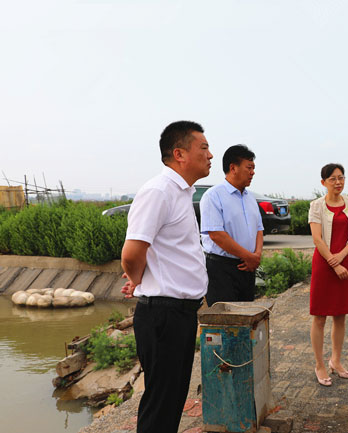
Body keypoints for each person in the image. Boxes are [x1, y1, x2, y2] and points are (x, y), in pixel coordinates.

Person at [121, 120, 212, 433]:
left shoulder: (181, 192)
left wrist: (141, 278)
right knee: (161, 404)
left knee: (171, 400)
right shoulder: (159, 191)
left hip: (178, 313)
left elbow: (164, 251)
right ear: (179, 154)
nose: (210, 155)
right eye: (203, 148)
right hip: (163, 315)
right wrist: (138, 280)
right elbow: (132, 253)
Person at [308, 163, 348, 386]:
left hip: (345, 261)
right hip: (324, 264)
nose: (338, 182)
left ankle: (336, 361)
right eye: (333, 179)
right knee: (320, 316)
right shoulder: (316, 206)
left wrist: (341, 257)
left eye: (341, 177)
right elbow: (317, 239)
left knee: (340, 315)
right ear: (323, 182)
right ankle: (319, 364)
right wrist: (333, 262)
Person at [200, 144, 264, 305]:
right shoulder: (213, 196)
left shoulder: (250, 198)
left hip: (247, 268)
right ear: (233, 168)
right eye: (249, 168)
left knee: (246, 314)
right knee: (225, 316)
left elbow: (259, 229)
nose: (253, 172)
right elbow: (216, 235)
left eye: (254, 168)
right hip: (221, 269)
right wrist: (248, 256)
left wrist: (256, 255)